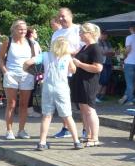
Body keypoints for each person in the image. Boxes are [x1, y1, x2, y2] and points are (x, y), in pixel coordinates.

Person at [23, 37, 83, 151]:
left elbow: (27, 62)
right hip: (62, 88)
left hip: (48, 87)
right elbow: (73, 70)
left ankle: (42, 142)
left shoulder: (45, 55)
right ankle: (76, 141)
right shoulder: (67, 57)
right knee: (67, 116)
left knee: (46, 116)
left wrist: (29, 70)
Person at [0, 20, 40, 140]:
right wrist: (5, 72)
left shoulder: (30, 42)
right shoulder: (8, 41)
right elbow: (0, 58)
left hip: (27, 75)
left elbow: (34, 58)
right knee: (11, 103)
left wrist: (35, 71)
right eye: (20, 29)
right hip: (11, 74)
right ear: (14, 29)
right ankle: (9, 130)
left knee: (24, 104)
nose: (23, 31)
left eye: (25, 29)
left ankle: (21, 130)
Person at [70, 23, 104, 147]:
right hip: (79, 81)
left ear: (89, 33)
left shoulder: (95, 48)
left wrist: (79, 64)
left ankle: (95, 138)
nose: (80, 35)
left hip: (89, 82)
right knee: (83, 110)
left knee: (89, 109)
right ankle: (88, 135)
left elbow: (98, 68)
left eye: (82, 32)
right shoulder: (84, 47)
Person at [52, 8, 81, 138]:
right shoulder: (56, 33)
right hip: (61, 72)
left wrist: (67, 53)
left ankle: (86, 129)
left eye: (63, 16)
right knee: (63, 100)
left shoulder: (78, 29)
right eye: (59, 16)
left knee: (81, 101)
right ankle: (66, 128)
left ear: (71, 16)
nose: (61, 19)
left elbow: (84, 48)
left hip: (77, 69)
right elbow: (53, 51)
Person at [96, 31, 115, 102]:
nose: (105, 36)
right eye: (104, 35)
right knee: (102, 80)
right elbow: (101, 52)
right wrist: (108, 52)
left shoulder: (108, 43)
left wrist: (108, 53)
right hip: (102, 63)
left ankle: (102, 95)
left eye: (106, 35)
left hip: (108, 62)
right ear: (100, 35)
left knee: (106, 80)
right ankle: (96, 96)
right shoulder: (97, 42)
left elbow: (112, 53)